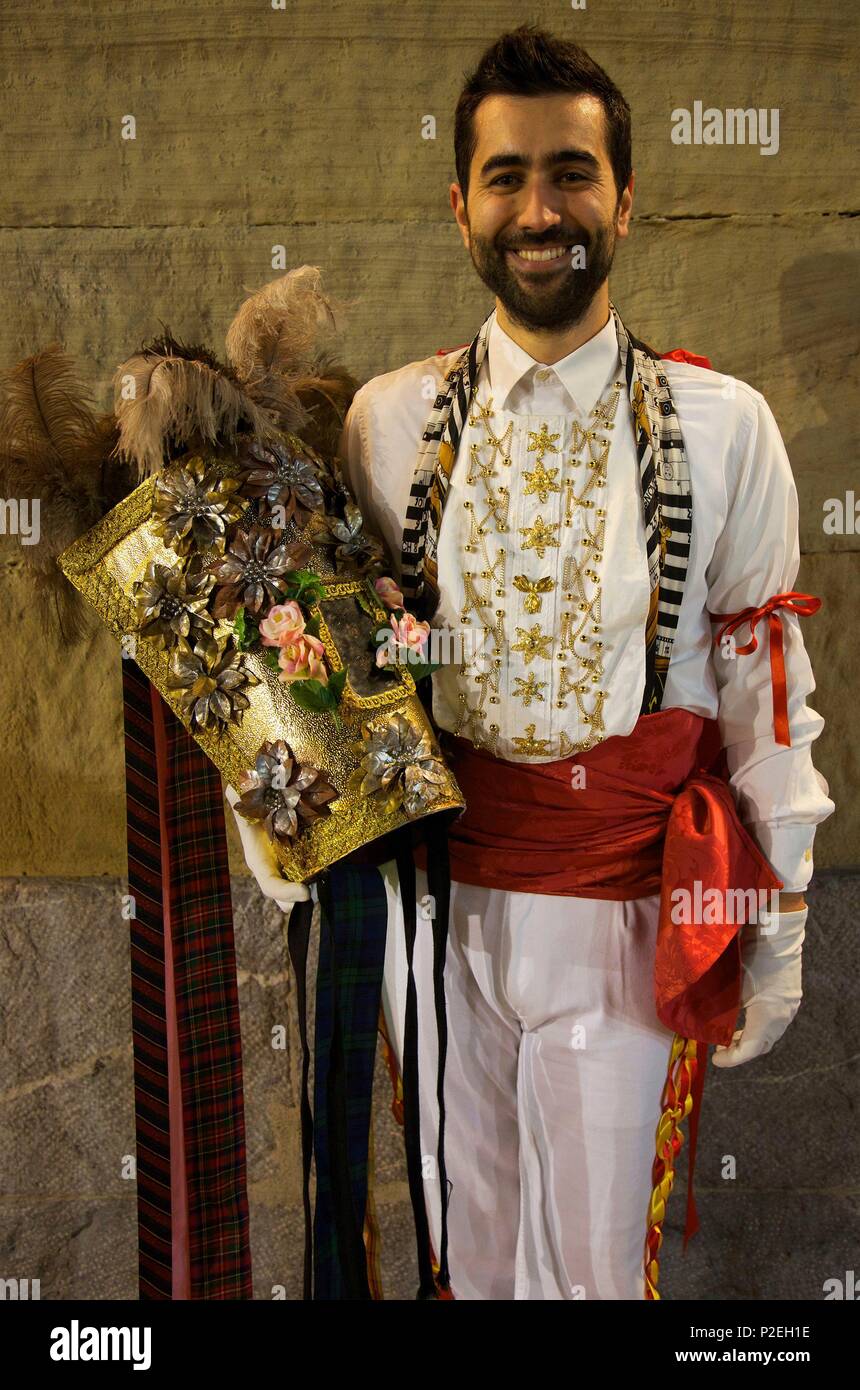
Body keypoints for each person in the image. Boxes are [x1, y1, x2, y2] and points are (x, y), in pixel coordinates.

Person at [231, 24, 834, 1299]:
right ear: (460, 206)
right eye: (506, 176)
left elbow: (760, 684)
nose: (538, 207)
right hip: (434, 911)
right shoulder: (385, 420)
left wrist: (765, 916)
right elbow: (339, 659)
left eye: (571, 172)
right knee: (471, 1257)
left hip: (623, 906)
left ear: (624, 198)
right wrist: (289, 816)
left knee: (593, 1275)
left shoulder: (722, 427)